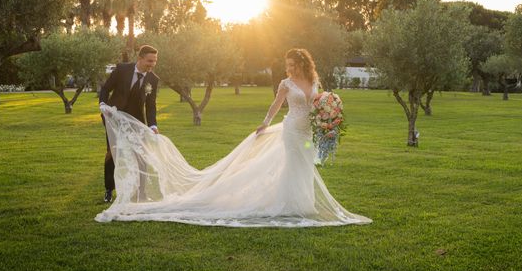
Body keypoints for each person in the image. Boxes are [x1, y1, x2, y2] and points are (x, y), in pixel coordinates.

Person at [96, 48, 370, 227]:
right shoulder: (285, 84)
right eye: (285, 64)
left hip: (308, 131)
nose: (287, 69)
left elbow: (315, 103)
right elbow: (276, 105)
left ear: (301, 63)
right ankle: (289, 203)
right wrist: (264, 123)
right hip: (289, 130)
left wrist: (326, 116)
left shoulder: (313, 82)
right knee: (292, 163)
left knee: (305, 163)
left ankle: (302, 203)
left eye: (290, 64)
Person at [99, 45, 159, 203]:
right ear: (140, 58)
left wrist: (152, 125)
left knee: (141, 154)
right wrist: (103, 105)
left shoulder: (153, 79)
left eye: (155, 61)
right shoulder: (122, 69)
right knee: (112, 153)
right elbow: (105, 89)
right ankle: (109, 190)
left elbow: (151, 105)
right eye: (149, 61)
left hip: (136, 121)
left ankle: (142, 192)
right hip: (114, 118)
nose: (152, 64)